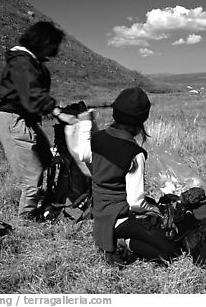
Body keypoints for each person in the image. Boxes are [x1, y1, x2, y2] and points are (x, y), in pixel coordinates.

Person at [73, 87, 178, 267]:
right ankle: (125, 242)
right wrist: (153, 210)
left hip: (99, 215)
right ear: (142, 119)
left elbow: (82, 153)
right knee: (168, 250)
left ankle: (117, 239)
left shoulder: (98, 139)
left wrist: (86, 123)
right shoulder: (134, 153)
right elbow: (136, 203)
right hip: (119, 217)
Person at [0, 21, 65, 219]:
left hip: (24, 118)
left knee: (45, 158)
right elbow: (32, 92)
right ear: (43, 41)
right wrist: (57, 111)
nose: (55, 49)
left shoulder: (30, 60)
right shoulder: (22, 62)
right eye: (53, 44)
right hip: (12, 118)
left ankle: (42, 199)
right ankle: (27, 218)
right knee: (31, 174)